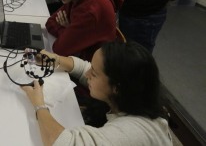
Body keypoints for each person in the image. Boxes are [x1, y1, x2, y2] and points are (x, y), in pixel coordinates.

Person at [21, 41, 172, 146]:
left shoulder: (134, 131)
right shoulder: (132, 94)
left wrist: (38, 105)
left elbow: (65, 143)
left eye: (93, 73)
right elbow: (83, 68)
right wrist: (55, 60)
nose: (87, 74)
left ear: (117, 87)